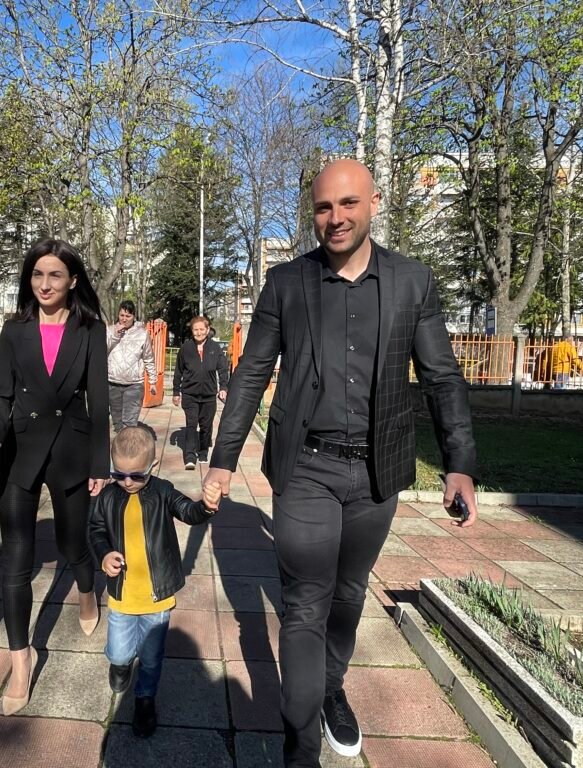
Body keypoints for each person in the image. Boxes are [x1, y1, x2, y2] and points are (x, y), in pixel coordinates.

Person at [204, 159, 479, 766]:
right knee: (306, 603)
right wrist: (223, 460)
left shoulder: (412, 281)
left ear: (374, 203)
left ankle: (331, 687)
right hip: (305, 467)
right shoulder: (286, 283)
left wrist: (458, 462)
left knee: (349, 593)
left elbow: (441, 375)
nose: (335, 218)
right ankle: (300, 749)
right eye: (324, 207)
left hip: (378, 472)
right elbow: (252, 373)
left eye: (348, 204)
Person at [0, 238, 110, 716]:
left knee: (74, 545)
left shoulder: (90, 329)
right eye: (37, 274)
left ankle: (88, 592)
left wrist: (100, 464)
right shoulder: (15, 330)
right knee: (15, 558)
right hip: (21, 450)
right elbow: (0, 394)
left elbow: (98, 399)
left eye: (55, 275)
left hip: (71, 451)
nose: (45, 284)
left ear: (73, 280)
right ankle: (21, 659)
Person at [88, 426, 222, 737]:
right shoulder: (108, 496)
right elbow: (95, 530)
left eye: (136, 475)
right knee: (119, 653)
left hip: (156, 597)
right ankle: (120, 665)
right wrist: (104, 554)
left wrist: (206, 506)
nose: (127, 482)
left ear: (153, 466)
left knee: (150, 658)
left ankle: (145, 698)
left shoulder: (162, 491)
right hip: (122, 595)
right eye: (119, 474)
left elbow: (188, 511)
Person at [172, 316, 229, 470]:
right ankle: (190, 457)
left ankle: (203, 452)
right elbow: (178, 371)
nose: (198, 332)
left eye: (201, 329)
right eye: (195, 330)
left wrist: (223, 388)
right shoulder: (186, 348)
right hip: (190, 394)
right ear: (192, 331)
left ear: (208, 329)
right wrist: (176, 391)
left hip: (209, 395)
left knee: (206, 426)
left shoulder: (215, 348)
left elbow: (223, 369)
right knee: (191, 425)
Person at [107, 299, 159, 431]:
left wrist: (153, 381)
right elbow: (101, 351)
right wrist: (115, 335)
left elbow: (148, 358)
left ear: (134, 316)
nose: (124, 319)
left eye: (128, 316)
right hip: (113, 382)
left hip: (134, 384)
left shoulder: (142, 334)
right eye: (122, 315)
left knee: (129, 423)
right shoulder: (109, 330)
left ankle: (129, 444)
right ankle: (121, 443)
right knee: (117, 423)